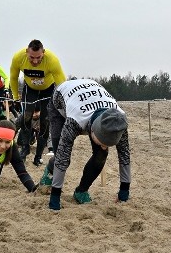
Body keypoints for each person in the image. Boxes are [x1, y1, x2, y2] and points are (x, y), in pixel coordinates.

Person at [38, 79, 130, 211]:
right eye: (102, 142)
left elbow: (124, 155)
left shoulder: (118, 121)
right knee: (62, 156)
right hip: (59, 103)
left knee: (101, 154)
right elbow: (62, 159)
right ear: (92, 131)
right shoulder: (75, 121)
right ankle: (49, 172)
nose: (104, 146)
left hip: (91, 100)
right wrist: (55, 197)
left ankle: (81, 191)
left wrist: (124, 192)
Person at [8, 39, 66, 166]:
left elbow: (62, 84)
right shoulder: (18, 57)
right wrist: (16, 97)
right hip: (30, 89)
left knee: (45, 122)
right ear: (26, 52)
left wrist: (63, 101)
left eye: (38, 57)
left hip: (48, 90)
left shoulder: (52, 60)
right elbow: (13, 77)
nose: (35, 61)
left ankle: (38, 155)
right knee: (26, 117)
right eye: (31, 57)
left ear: (43, 53)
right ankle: (25, 149)